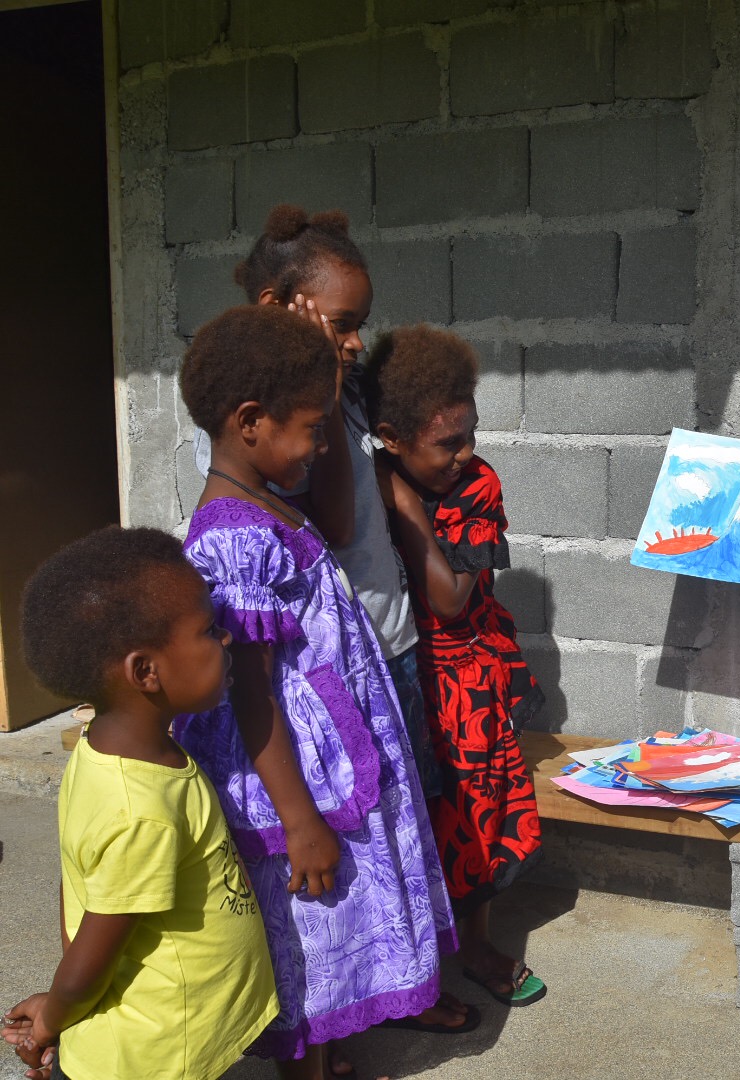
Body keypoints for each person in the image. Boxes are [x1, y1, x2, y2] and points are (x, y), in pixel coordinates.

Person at [173, 304, 460, 1080]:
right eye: (313, 428)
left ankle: (327, 1065)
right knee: (309, 927)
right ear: (251, 422)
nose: (324, 445)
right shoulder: (233, 536)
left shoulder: (273, 501)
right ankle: (308, 1071)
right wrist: (299, 820)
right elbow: (250, 694)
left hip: (322, 753)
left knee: (332, 924)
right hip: (288, 777)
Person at [2, 527, 278, 1080]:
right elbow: (103, 924)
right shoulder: (141, 809)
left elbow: (78, 882)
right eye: (207, 630)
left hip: (163, 1029)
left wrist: (68, 1003)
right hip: (158, 1052)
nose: (226, 640)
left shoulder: (105, 751)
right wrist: (57, 1015)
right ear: (145, 672)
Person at [360, 324, 547, 1008]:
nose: (466, 453)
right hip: (397, 673)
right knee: (413, 813)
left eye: (470, 434)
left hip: (465, 676)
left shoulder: (476, 487)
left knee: (472, 811)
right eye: (448, 442)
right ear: (390, 435)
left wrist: (408, 508)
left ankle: (476, 946)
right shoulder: (361, 481)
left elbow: (448, 597)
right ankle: (414, 954)